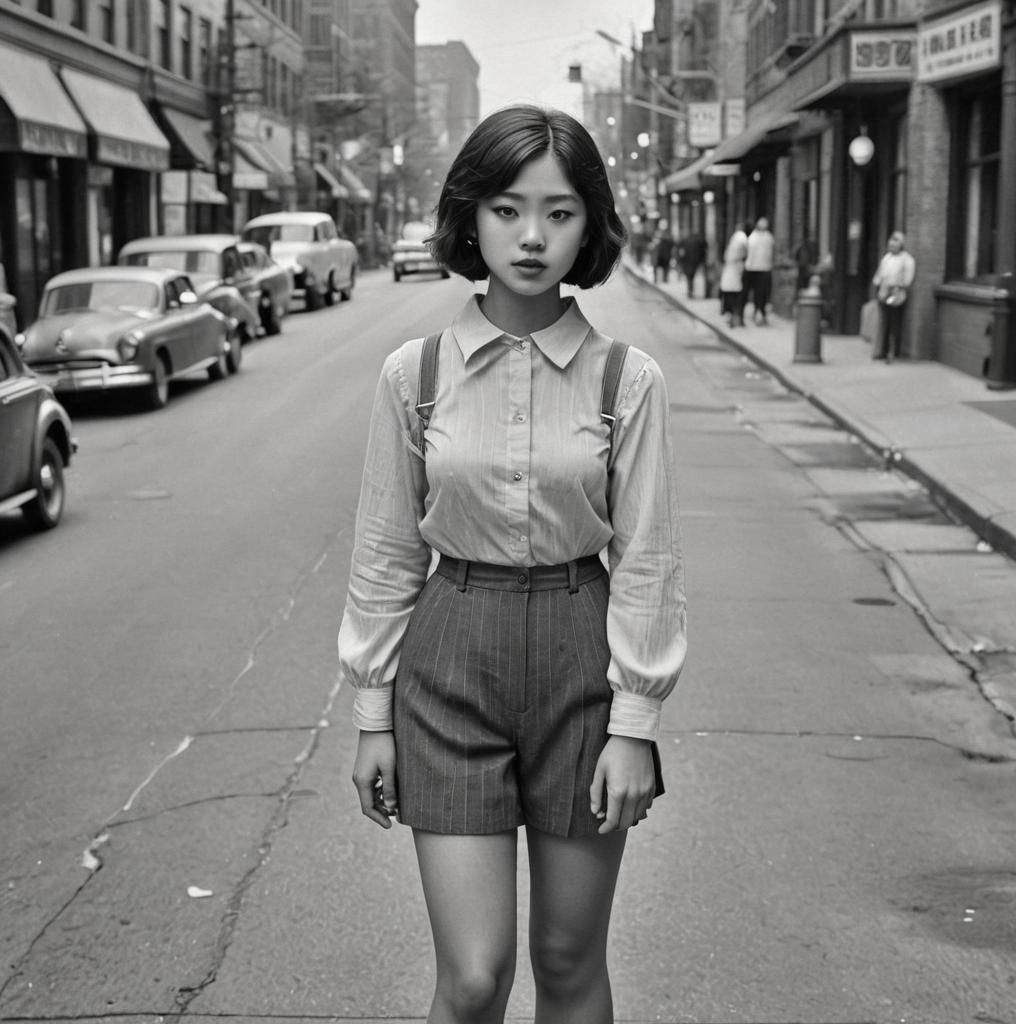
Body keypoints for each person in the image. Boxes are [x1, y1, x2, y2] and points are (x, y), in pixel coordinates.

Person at [338, 104, 687, 1024]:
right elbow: (385, 552)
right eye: (505, 209)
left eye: (560, 212)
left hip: (583, 656)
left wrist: (636, 723)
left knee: (569, 961)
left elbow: (648, 558)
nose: (532, 236)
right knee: (474, 976)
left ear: (591, 224)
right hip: (451, 657)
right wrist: (374, 713)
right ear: (470, 217)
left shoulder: (629, 380)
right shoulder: (412, 375)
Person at [872, 231, 916, 362]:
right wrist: (878, 283)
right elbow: (879, 275)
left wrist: (896, 285)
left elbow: (908, 280)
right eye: (890, 245)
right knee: (883, 321)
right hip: (883, 292)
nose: (891, 247)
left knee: (893, 321)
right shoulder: (887, 258)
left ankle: (894, 351)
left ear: (901, 245)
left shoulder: (907, 260)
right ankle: (882, 350)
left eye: (895, 245)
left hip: (896, 294)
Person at [744, 217, 775, 325]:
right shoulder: (767, 237)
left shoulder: (755, 237)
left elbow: (750, 253)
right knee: (761, 292)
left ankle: (759, 312)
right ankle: (759, 312)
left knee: (759, 292)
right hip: (762, 268)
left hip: (757, 268)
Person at [720, 222, 748, 326]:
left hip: (732, 276)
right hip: (735, 276)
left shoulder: (736, 240)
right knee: (736, 297)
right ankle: (736, 318)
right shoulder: (741, 239)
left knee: (732, 296)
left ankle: (732, 317)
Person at [679, 232, 707, 297]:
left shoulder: (685, 241)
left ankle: (690, 291)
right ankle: (690, 290)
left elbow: (682, 253)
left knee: (689, 277)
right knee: (691, 276)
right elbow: (702, 251)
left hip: (687, 262)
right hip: (695, 262)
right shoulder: (698, 242)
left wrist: (681, 261)